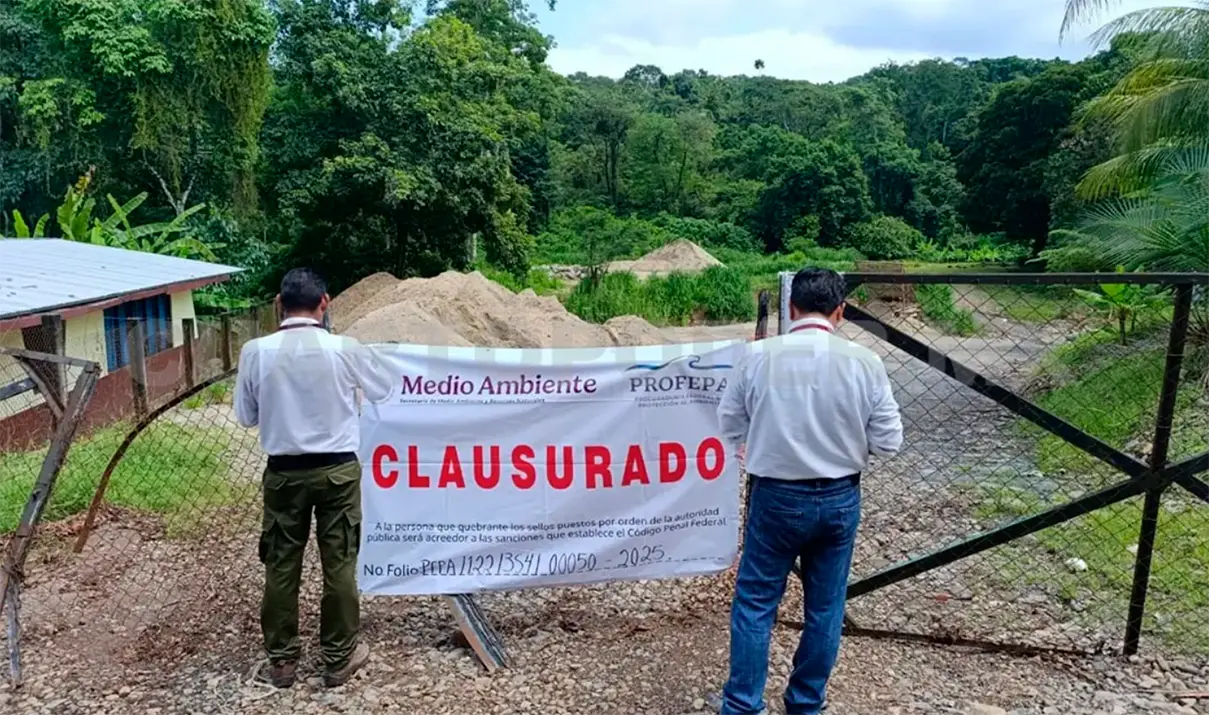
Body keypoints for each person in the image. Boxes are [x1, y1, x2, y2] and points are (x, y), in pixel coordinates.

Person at [712, 267, 903, 715]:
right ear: (840, 312)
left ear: (791, 307)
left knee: (756, 603)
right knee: (825, 607)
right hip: (839, 498)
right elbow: (889, 443)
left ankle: (742, 705)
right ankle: (805, 703)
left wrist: (760, 438)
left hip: (775, 497)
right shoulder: (865, 362)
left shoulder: (758, 357)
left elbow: (728, 424)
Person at [234, 267, 394, 689]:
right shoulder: (345, 349)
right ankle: (338, 658)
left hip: (284, 474)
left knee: (281, 565)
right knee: (339, 563)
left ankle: (282, 661)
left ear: (279, 304)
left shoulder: (255, 351)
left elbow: (246, 416)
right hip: (338, 472)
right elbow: (383, 389)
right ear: (325, 302)